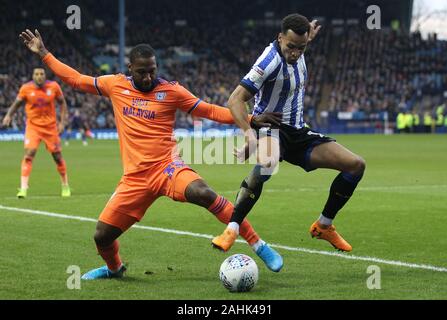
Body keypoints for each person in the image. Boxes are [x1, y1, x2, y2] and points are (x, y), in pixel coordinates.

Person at [19, 29, 284, 279]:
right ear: (130, 68)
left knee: (203, 193)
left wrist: (251, 118)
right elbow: (76, 79)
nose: (148, 77)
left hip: (167, 168)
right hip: (135, 179)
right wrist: (44, 53)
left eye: (152, 71)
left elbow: (210, 111)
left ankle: (258, 245)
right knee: (102, 236)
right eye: (142, 72)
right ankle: (114, 269)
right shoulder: (115, 85)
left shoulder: (171, 91)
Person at [212, 14, 366, 254]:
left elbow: (300, 42)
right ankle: (232, 228)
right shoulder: (268, 62)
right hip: (271, 127)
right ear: (280, 38)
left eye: (301, 48)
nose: (295, 53)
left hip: (299, 132)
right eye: (291, 47)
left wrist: (308, 37)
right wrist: (249, 134)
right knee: (268, 163)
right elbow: (234, 100)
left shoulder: (298, 45)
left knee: (356, 165)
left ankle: (324, 225)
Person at [1, 67, 71, 198]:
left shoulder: (54, 87)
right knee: (29, 154)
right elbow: (16, 103)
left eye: (42, 74)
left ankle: (65, 185)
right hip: (33, 127)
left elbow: (62, 103)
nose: (39, 76)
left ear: (45, 76)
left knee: (57, 157)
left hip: (50, 128)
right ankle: (23, 188)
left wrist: (62, 122)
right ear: (33, 76)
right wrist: (8, 115)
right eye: (36, 74)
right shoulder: (26, 88)